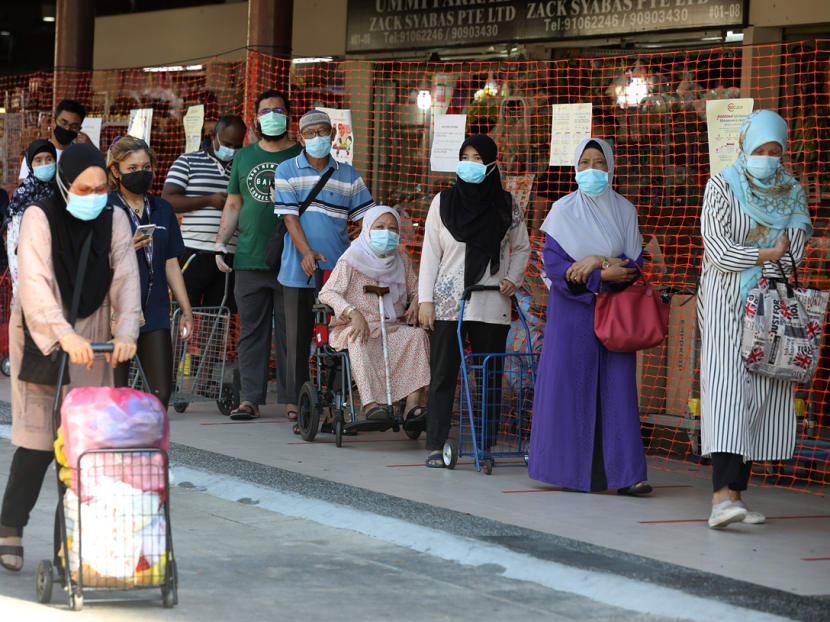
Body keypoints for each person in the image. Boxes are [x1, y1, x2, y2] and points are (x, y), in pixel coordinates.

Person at [0, 143, 141, 572]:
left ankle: (70, 545)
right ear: (65, 184)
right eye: (84, 188)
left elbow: (126, 276)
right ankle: (9, 527)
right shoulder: (38, 217)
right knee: (40, 441)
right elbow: (35, 284)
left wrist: (127, 331)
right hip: (43, 333)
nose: (94, 195)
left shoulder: (115, 217)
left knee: (85, 446)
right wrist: (62, 334)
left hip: (94, 335)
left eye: (101, 187)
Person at [699, 110, 812, 529]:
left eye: (774, 151)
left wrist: (766, 259)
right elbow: (718, 250)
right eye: (759, 150)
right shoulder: (722, 184)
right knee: (727, 394)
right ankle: (719, 498)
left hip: (771, 308)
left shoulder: (793, 192)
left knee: (761, 393)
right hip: (726, 303)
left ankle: (737, 495)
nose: (766, 158)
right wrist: (765, 254)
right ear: (744, 147)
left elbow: (794, 252)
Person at [528, 137, 652, 495]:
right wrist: (600, 274)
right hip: (571, 315)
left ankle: (627, 476)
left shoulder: (625, 211)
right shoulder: (561, 211)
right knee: (570, 390)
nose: (592, 170)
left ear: (610, 168)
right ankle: (567, 472)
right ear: (575, 169)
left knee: (618, 393)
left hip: (615, 314)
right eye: (585, 163)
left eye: (599, 163)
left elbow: (635, 266)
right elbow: (553, 266)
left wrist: (595, 263)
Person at [418, 135, 531, 468]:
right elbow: (430, 255)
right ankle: (435, 444)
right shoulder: (442, 203)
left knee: (489, 376)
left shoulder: (507, 205)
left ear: (492, 163)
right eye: (465, 156)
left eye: (478, 158)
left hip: (492, 301)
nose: (470, 163)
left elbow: (522, 247)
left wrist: (512, 277)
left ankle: (486, 448)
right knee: (443, 376)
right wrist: (425, 300)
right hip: (448, 302)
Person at [273, 109, 375, 424]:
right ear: (301, 137)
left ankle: (332, 399)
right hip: (296, 270)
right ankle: (296, 399)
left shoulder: (348, 175)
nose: (318, 138)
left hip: (337, 276)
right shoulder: (287, 170)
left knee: (336, 339)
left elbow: (366, 220)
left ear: (333, 135)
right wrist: (306, 252)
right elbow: (290, 217)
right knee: (297, 337)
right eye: (311, 133)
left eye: (323, 132)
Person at [214, 90, 302, 420]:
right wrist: (222, 242)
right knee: (251, 333)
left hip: (291, 257)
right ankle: (249, 398)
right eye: (265, 110)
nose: (272, 115)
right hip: (249, 256)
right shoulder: (244, 157)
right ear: (256, 117)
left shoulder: (301, 155)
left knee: (292, 332)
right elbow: (234, 202)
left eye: (278, 110)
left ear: (289, 116)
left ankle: (294, 398)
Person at [318, 205, 428, 425]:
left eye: (392, 228)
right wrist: (353, 313)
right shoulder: (351, 258)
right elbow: (327, 293)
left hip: (390, 326)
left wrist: (417, 300)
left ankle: (412, 406)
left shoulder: (401, 260)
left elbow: (417, 289)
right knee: (359, 338)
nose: (386, 232)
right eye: (379, 227)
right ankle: (371, 405)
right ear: (367, 229)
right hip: (355, 327)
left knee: (416, 337)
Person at [108, 136, 193, 408]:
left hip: (155, 311)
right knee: (115, 394)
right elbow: (91, 262)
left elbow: (170, 262)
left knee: (160, 395)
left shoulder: (162, 208)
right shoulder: (105, 208)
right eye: (132, 169)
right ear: (115, 171)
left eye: (145, 167)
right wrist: (124, 247)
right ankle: (116, 447)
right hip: (114, 312)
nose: (140, 174)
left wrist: (186, 310)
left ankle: (147, 447)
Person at [162, 114, 246, 310]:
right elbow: (168, 200)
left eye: (237, 146)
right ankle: (178, 343)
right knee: (181, 311)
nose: (231, 150)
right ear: (213, 135)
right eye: (227, 143)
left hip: (227, 254)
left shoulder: (242, 167)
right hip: (191, 251)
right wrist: (209, 200)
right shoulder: (187, 161)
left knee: (218, 318)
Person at [7, 140, 58, 295]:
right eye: (38, 160)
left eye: (49, 159)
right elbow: (15, 238)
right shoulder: (22, 195)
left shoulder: (60, 192)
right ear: (29, 164)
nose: (44, 164)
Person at [17, 99, 91, 181]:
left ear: (79, 129)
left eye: (73, 126)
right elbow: (22, 187)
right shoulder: (36, 151)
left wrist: (91, 149)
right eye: (63, 123)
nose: (67, 128)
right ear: (53, 122)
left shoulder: (81, 156)